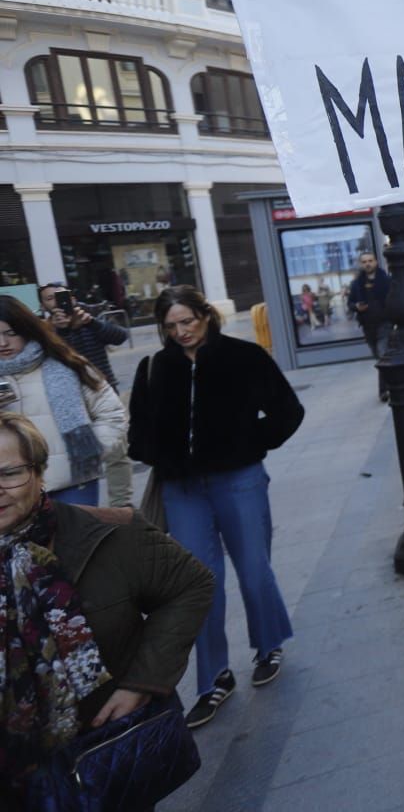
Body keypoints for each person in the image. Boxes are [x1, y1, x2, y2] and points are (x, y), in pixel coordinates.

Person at [0, 411, 214, 806]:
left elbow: (190, 584)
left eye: (9, 473)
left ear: (41, 473)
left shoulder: (109, 532)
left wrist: (142, 682)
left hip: (100, 754)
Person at [128, 286, 305, 727]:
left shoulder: (244, 357)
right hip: (182, 489)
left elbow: (288, 411)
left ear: (206, 316)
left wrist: (248, 446)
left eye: (188, 321)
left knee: (253, 568)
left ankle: (268, 645)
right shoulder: (155, 367)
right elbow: (139, 430)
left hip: (239, 480)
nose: (181, 332)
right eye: (171, 326)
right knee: (196, 583)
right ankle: (213, 679)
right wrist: (160, 456)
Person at [0, 295, 130, 509]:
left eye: (11, 333)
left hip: (74, 485)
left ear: (27, 329)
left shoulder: (67, 365)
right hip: (11, 490)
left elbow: (112, 413)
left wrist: (91, 450)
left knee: (72, 543)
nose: (3, 343)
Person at [39, 284, 129, 390]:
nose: (57, 301)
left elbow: (121, 337)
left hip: (104, 388)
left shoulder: (88, 320)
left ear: (72, 299)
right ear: (42, 306)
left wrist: (91, 323)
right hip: (70, 391)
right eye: (50, 298)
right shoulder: (43, 330)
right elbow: (59, 359)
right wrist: (63, 330)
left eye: (62, 296)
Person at [348, 251, 391, 398]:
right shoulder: (357, 284)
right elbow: (350, 303)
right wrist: (356, 307)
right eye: (364, 261)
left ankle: (383, 390)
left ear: (376, 262)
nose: (368, 264)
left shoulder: (385, 280)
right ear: (361, 264)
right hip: (368, 326)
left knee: (382, 355)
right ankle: (390, 384)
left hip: (385, 323)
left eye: (370, 261)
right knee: (380, 358)